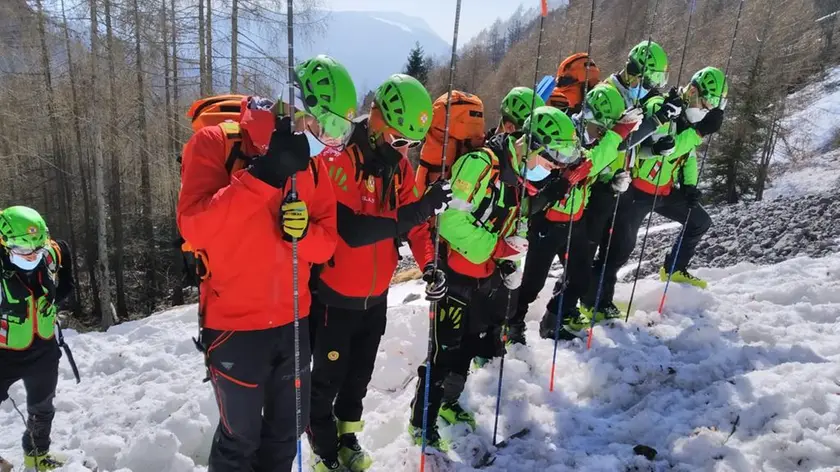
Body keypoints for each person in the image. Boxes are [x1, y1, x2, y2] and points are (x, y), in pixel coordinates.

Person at [177, 55, 357, 472]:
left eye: (339, 133)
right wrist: (263, 177)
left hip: (294, 323)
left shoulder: (313, 167)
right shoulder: (218, 145)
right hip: (235, 326)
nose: (329, 141)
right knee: (240, 439)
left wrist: (303, 235)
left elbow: (326, 245)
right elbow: (194, 229)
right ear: (299, 105)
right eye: (326, 126)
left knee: (284, 434)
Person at [406, 106, 578, 450]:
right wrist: (499, 247)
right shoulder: (480, 165)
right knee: (443, 352)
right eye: (551, 159)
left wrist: (513, 259)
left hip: (486, 277)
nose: (554, 167)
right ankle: (421, 423)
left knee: (470, 347)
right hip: (454, 274)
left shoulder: (519, 177)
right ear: (532, 145)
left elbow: (520, 219)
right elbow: (451, 223)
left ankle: (450, 404)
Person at [306, 74, 450, 472]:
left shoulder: (397, 169)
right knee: (327, 379)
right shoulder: (337, 160)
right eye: (398, 140)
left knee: (358, 377)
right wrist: (421, 209)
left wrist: (431, 266)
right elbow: (351, 231)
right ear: (376, 119)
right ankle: (323, 451)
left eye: (411, 144)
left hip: (375, 298)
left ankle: (347, 435)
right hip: (334, 296)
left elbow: (416, 227)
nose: (403, 151)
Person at [511, 85, 643, 341]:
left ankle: (554, 317)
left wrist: (610, 182)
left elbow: (594, 160)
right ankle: (512, 324)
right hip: (547, 225)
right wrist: (617, 133)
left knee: (581, 276)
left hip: (575, 221)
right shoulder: (556, 142)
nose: (598, 135)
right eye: (601, 129)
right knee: (532, 283)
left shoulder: (577, 143)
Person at [603, 67, 727, 298]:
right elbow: (667, 149)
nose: (705, 111)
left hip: (665, 190)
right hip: (637, 190)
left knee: (700, 222)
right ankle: (598, 299)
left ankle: (674, 268)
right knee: (621, 248)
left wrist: (689, 186)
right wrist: (698, 132)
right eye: (705, 104)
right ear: (692, 91)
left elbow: (688, 154)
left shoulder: (691, 121)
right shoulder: (664, 107)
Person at [578, 40, 679, 322]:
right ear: (635, 72)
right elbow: (616, 143)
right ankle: (579, 300)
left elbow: (633, 146)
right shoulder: (606, 95)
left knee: (620, 245)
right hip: (600, 184)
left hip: (624, 183)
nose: (650, 86)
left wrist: (654, 149)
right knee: (589, 245)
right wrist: (656, 120)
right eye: (649, 79)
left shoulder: (636, 100)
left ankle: (599, 298)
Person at [0, 206, 76, 472]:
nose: (31, 255)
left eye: (36, 248)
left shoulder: (48, 251)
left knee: (42, 408)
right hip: (3, 351)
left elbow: (62, 249)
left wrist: (65, 287)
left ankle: (37, 456)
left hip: (42, 347)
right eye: (21, 249)